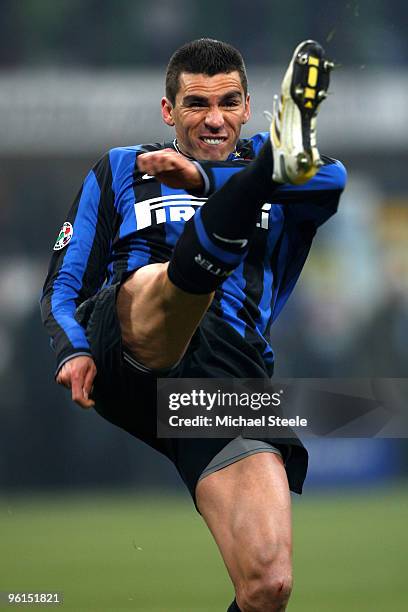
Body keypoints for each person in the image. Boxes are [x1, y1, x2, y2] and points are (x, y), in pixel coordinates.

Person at [41, 38, 346, 612]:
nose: (214, 119)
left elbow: (333, 179)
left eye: (229, 103)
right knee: (184, 286)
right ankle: (214, 237)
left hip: (223, 375)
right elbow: (62, 284)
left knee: (268, 585)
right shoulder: (119, 167)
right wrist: (72, 349)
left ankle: (229, 213)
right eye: (196, 104)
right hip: (129, 338)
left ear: (249, 107)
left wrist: (213, 181)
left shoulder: (290, 176)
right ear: (168, 111)